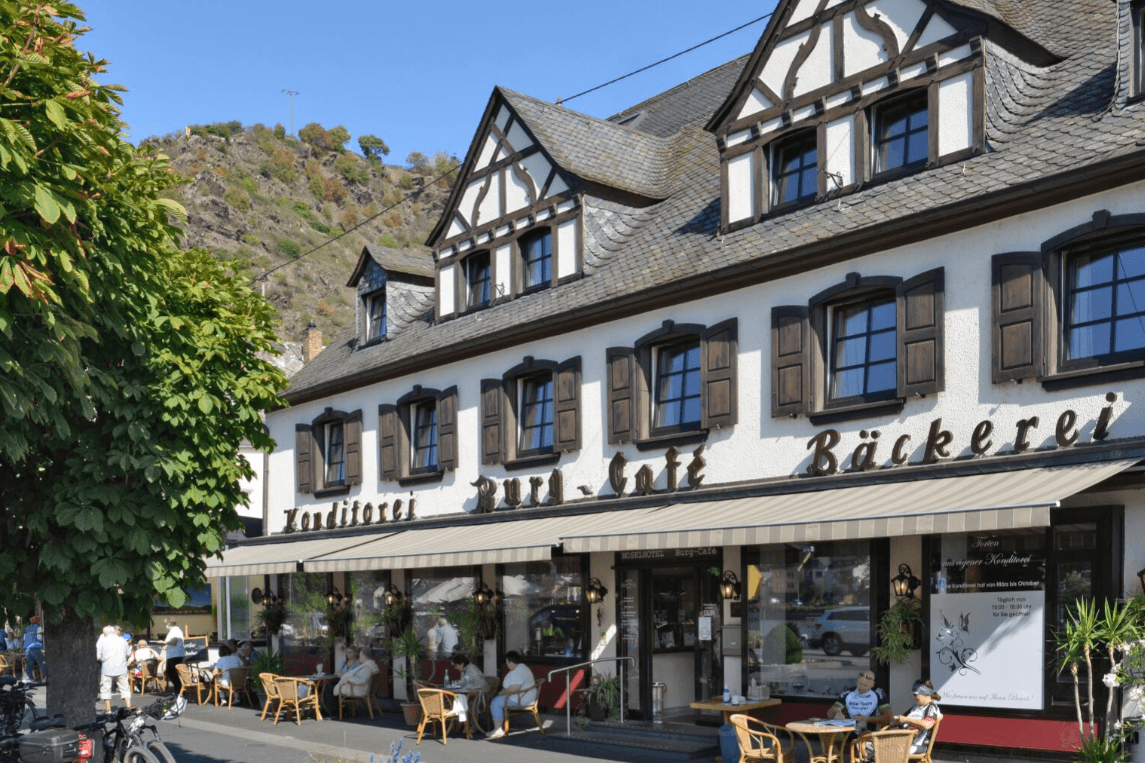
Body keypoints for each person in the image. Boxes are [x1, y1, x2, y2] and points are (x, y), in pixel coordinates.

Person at [486, 650, 536, 740]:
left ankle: (498, 729)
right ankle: (497, 727)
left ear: (511, 662)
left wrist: (501, 694)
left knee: (495, 703)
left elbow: (514, 689)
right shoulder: (520, 668)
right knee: (496, 699)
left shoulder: (518, 671)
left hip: (521, 698)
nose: (506, 664)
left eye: (507, 662)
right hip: (523, 696)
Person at [827, 669, 892, 731]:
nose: (861, 687)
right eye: (860, 684)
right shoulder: (848, 693)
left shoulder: (878, 694)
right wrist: (836, 715)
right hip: (848, 732)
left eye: (865, 685)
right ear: (856, 680)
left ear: (872, 684)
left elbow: (888, 717)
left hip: (869, 733)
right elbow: (830, 712)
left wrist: (867, 719)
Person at [893, 680, 942, 755]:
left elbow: (927, 724)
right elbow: (901, 719)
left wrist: (907, 720)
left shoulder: (931, 707)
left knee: (889, 752)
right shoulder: (914, 708)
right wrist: (896, 719)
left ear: (925, 694)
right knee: (875, 748)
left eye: (915, 694)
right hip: (903, 742)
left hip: (917, 745)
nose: (913, 696)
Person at [96, 625, 131, 713]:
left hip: (107, 668)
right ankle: (128, 706)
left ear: (105, 632)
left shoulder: (103, 640)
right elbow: (129, 653)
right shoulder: (122, 640)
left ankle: (108, 710)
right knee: (125, 688)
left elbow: (98, 657)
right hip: (121, 667)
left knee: (106, 689)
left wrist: (103, 659)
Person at [163, 618, 185, 693]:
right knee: (170, 672)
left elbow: (174, 641)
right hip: (173, 655)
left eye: (165, 624)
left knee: (172, 672)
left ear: (169, 624)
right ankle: (178, 688)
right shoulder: (174, 631)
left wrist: (165, 642)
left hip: (175, 655)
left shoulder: (175, 630)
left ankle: (178, 687)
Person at [23, 617, 46, 681]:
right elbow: (40, 638)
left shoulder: (27, 628)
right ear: (38, 621)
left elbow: (24, 638)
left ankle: (28, 678)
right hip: (35, 647)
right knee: (41, 662)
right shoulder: (39, 628)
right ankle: (46, 677)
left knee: (29, 664)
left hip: (27, 648)